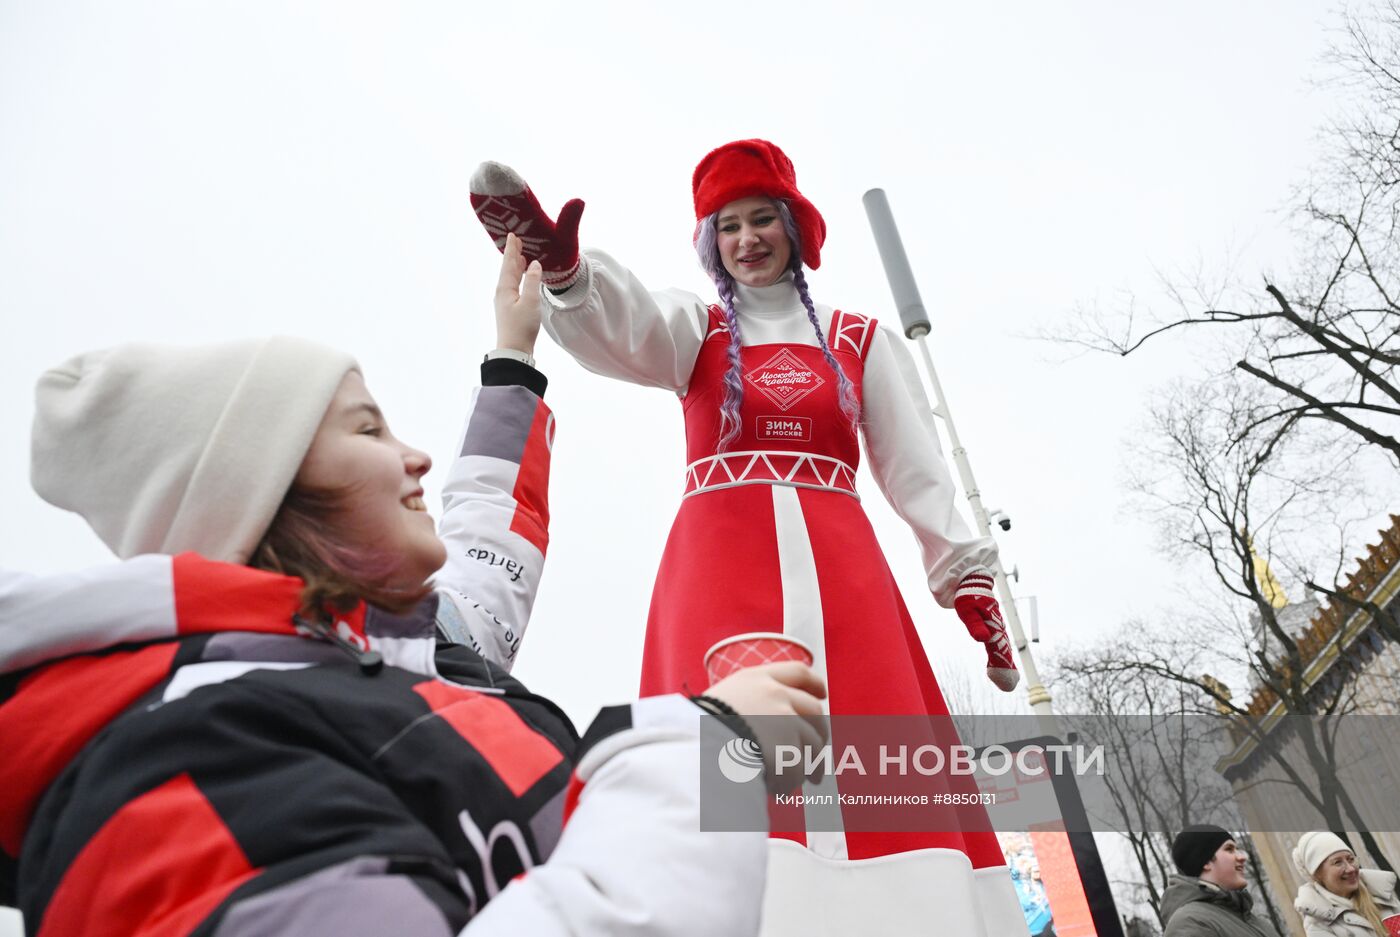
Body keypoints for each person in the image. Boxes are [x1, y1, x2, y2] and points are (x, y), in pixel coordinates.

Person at [0, 235, 827, 936]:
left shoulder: (411, 659)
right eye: (367, 428)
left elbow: (484, 541)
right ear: (264, 489)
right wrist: (700, 748)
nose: (416, 456)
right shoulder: (179, 768)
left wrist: (513, 356)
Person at [470, 141, 1026, 935]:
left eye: (763, 218)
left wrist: (966, 579)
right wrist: (571, 275)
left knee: (872, 764)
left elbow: (918, 468)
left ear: (795, 227)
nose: (747, 238)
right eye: (728, 226)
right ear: (711, 243)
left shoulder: (860, 337)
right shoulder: (696, 329)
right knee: (731, 766)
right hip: (720, 579)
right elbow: (626, 325)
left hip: (845, 581)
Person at [1161, 825, 1283, 937]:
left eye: (1237, 849)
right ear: (1206, 861)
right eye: (1229, 849)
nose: (1242, 857)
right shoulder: (1189, 923)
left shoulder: (1249, 918)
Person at [1292, 831, 1400, 936]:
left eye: (1351, 859)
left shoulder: (1381, 894)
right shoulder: (1317, 925)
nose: (1350, 868)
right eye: (1337, 862)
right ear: (1317, 874)